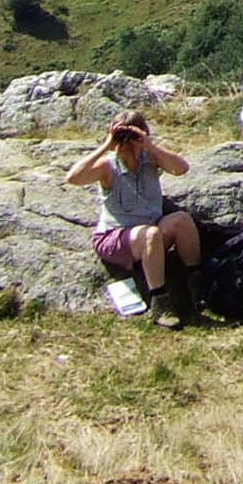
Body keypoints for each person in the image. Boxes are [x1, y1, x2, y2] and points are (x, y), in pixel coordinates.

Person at [65, 113, 199, 328]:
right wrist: (107, 145)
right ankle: (160, 303)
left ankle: (197, 286)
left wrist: (150, 146)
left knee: (181, 220)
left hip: (148, 236)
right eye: (122, 137)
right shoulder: (108, 166)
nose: (126, 144)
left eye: (132, 136)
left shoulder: (151, 159)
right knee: (151, 233)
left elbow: (181, 168)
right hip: (115, 238)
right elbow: (73, 178)